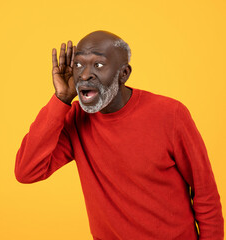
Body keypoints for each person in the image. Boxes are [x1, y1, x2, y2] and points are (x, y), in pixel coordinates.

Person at [15, 30, 223, 239]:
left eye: (98, 64)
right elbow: (27, 171)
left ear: (123, 73)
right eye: (78, 64)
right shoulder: (75, 120)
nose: (85, 74)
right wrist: (61, 99)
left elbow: (205, 194)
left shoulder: (171, 114)